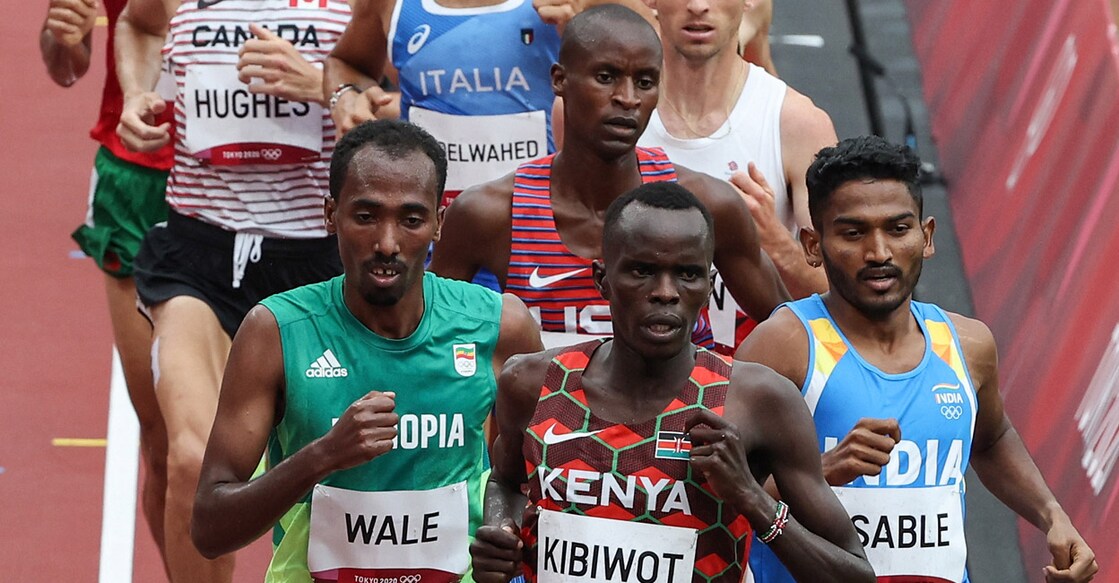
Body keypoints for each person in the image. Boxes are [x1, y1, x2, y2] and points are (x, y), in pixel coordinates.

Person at [469, 182, 874, 583]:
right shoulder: (533, 383)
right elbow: (506, 482)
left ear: (708, 283)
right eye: (642, 271)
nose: (665, 293)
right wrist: (501, 531)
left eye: (687, 274)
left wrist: (752, 498)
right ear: (603, 279)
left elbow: (855, 574)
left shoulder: (758, 401)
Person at [192, 119, 543, 582]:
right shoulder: (276, 332)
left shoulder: (499, 325)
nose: (387, 243)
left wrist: (504, 526)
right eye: (366, 216)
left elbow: (535, 481)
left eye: (411, 219)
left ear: (439, 223)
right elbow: (210, 528)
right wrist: (324, 456)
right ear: (329, 214)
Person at [737, 136, 1099, 583]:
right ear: (813, 245)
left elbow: (990, 438)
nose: (879, 253)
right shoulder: (784, 346)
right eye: (853, 233)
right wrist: (820, 472)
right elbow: (725, 491)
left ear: (926, 236)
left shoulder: (967, 345)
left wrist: (1052, 514)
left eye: (897, 228)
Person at [115, 0, 353, 578]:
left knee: (343, 478)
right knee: (193, 462)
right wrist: (136, 92)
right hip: (201, 254)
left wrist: (328, 87)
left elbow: (402, 95)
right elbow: (139, 24)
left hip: (318, 264)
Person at [429, 4, 789, 348]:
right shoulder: (490, 213)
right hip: (544, 412)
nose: (627, 98)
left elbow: (795, 338)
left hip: (686, 412)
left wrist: (737, 389)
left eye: (645, 82)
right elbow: (426, 341)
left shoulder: (709, 205)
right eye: (606, 77)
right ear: (559, 80)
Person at [40, 0, 173, 569]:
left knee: (307, 428)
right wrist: (63, 39)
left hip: (273, 189)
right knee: (167, 442)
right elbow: (65, 63)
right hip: (138, 185)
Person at [639, 0, 837, 350]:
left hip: (753, 380)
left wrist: (774, 241)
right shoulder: (615, 116)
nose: (698, 6)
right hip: (640, 379)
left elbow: (842, 294)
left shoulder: (797, 123)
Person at [324, 0, 568, 208]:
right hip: (431, 227)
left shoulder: (565, 6)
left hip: (541, 223)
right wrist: (345, 99)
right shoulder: (391, 4)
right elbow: (345, 64)